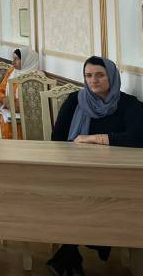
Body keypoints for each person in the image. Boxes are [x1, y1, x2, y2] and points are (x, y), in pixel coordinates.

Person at [45, 57, 143, 276]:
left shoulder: (128, 104)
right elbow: (58, 138)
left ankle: (68, 257)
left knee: (95, 200)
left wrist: (94, 139)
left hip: (116, 174)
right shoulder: (75, 100)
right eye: (88, 76)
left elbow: (138, 138)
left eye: (100, 75)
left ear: (112, 76)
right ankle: (71, 257)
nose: (93, 80)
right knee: (74, 198)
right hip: (76, 171)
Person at [0, 47, 39, 139]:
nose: (13, 62)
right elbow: (1, 90)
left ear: (26, 60)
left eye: (16, 59)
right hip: (9, 110)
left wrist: (16, 105)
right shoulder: (12, 71)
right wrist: (5, 100)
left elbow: (35, 102)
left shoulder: (37, 77)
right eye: (13, 59)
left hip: (28, 115)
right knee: (3, 120)